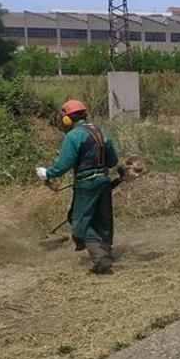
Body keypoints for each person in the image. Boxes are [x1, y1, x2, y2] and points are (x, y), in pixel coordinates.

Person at [36, 99, 119, 274]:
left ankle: (100, 258)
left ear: (67, 119)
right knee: (102, 220)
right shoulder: (101, 131)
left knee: (79, 221)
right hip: (103, 182)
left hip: (86, 184)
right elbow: (112, 161)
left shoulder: (73, 136)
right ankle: (106, 251)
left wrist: (47, 173)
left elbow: (63, 165)